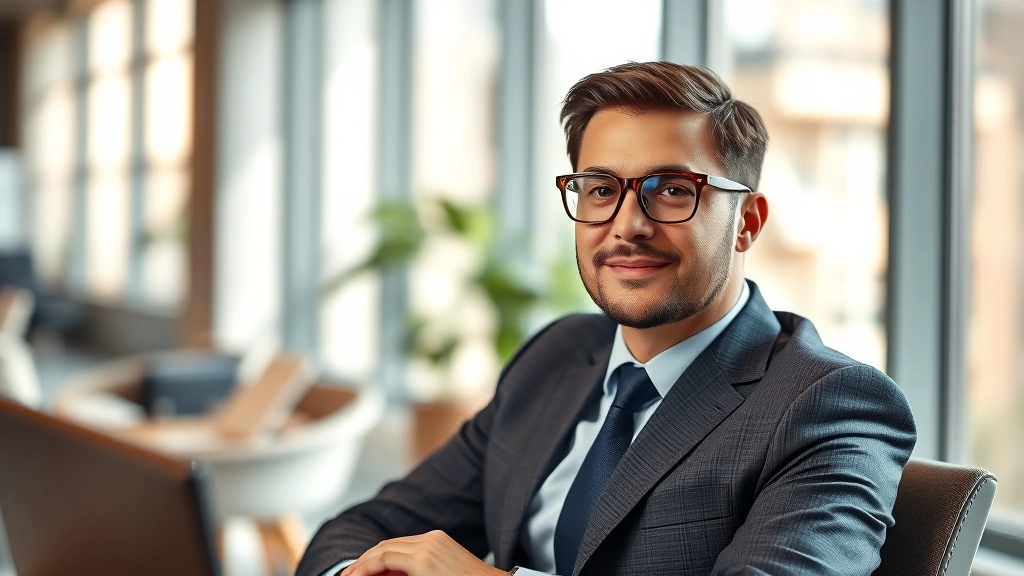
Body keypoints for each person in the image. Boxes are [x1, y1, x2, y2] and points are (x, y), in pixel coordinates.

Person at [296, 61, 916, 576]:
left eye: (672, 190)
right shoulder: (557, 357)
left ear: (747, 223)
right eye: (600, 190)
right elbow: (360, 530)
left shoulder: (830, 405)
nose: (628, 225)